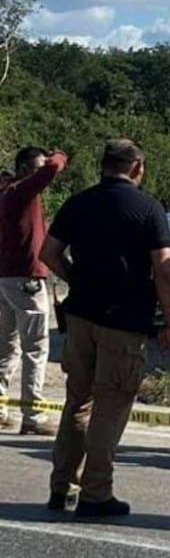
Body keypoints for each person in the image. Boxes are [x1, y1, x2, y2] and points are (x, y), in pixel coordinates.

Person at [39, 139, 170, 517]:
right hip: (124, 321)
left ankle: (61, 485)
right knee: (110, 406)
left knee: (77, 402)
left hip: (81, 316)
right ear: (135, 168)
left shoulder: (79, 202)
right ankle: (96, 492)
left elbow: (48, 253)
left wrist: (76, 279)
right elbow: (164, 269)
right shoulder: (148, 208)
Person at [0, 147, 67, 434]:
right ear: (26, 169)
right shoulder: (19, 192)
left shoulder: (6, 193)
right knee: (36, 348)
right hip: (26, 279)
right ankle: (34, 414)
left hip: (6, 279)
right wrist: (58, 157)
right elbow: (51, 169)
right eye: (35, 169)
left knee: (7, 347)